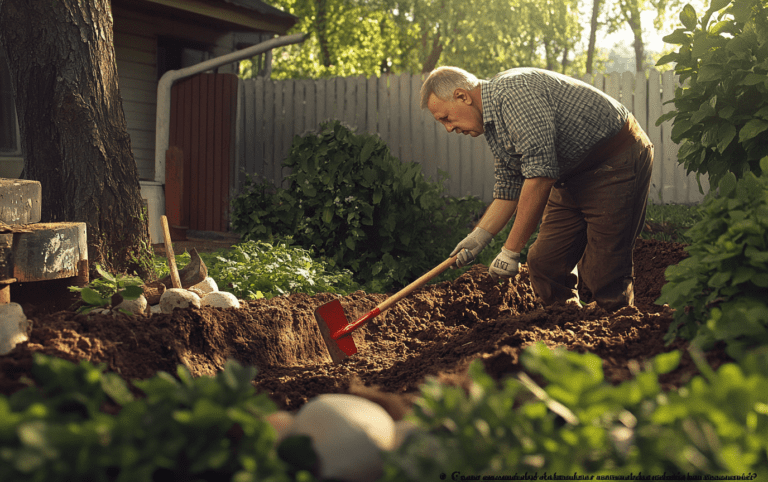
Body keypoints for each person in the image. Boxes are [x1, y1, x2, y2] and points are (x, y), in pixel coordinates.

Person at [420, 66, 653, 311]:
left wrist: (510, 251)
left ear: (462, 96)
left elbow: (540, 175)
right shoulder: (493, 124)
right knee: (545, 262)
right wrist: (478, 238)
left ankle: (615, 329)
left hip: (614, 160)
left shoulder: (513, 92)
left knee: (604, 267)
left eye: (446, 118)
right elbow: (509, 186)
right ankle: (568, 321)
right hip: (571, 173)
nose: (449, 128)